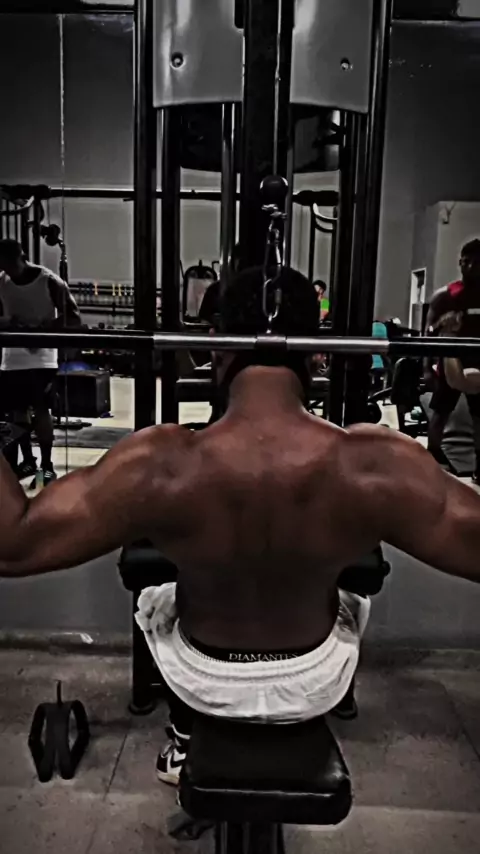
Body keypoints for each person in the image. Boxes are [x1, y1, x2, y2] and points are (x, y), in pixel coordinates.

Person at [1, 266, 480, 785]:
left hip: (199, 676)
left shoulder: (160, 464)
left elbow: (13, 544)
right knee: (349, 597)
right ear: (317, 352)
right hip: (315, 678)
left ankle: (183, 734)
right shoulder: (375, 464)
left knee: (158, 596)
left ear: (216, 345)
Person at [0, 239, 81, 486]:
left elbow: (73, 317)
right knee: (17, 412)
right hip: (12, 358)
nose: (9, 269)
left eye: (11, 264)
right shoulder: (2, 281)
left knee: (41, 410)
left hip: (42, 358)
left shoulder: (49, 281)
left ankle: (46, 466)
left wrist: (44, 329)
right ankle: (28, 461)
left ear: (21, 258)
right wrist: (9, 323)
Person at [425, 238, 480, 481]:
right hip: (450, 361)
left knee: (479, 416)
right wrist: (426, 368)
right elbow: (427, 333)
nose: (470, 267)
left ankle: (479, 463)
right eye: (466, 262)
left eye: (476, 263)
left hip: (477, 362)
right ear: (460, 263)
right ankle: (433, 457)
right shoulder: (445, 296)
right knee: (441, 411)